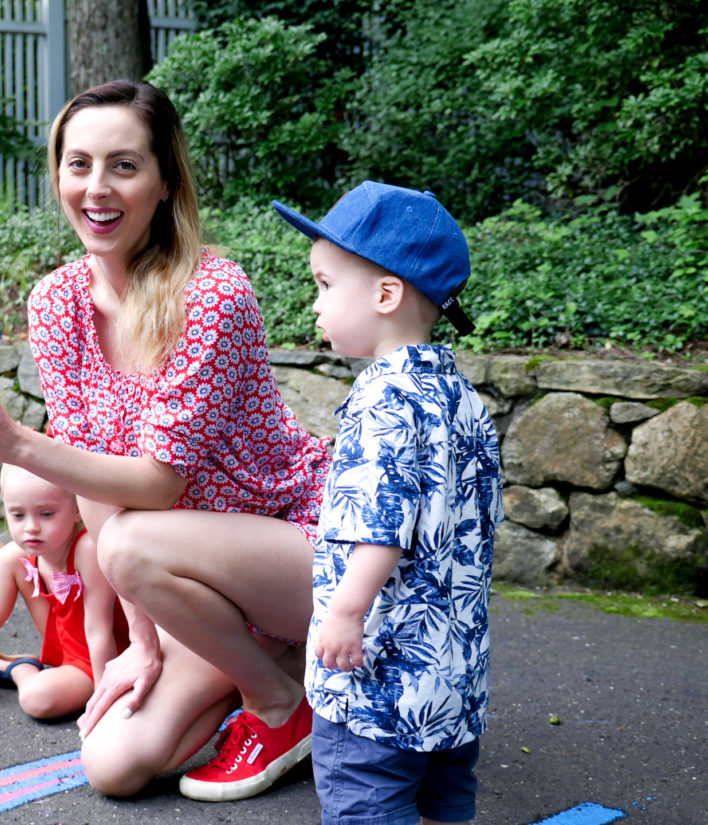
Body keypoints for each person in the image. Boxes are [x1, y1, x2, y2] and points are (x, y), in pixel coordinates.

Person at [0, 79, 331, 801]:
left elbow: (156, 484)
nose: (97, 187)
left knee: (128, 543)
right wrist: (138, 643)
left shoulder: (213, 293)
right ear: (57, 174)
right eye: (78, 163)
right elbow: (92, 488)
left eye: (124, 164)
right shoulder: (56, 303)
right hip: (185, 583)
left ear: (164, 180)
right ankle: (277, 672)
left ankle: (277, 698)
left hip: (292, 548)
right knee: (112, 765)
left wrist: (19, 444)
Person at [271, 182, 504, 825]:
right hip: (450, 679)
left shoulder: (385, 400)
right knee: (443, 804)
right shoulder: (461, 398)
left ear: (384, 294)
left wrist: (345, 611)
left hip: (377, 675)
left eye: (324, 284)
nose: (314, 303)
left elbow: (383, 522)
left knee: (366, 801)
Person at [0, 463, 129, 720]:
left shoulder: (86, 549)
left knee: (36, 698)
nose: (31, 527)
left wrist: (107, 698)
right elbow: (35, 576)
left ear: (77, 510)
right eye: (17, 515)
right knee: (8, 557)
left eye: (46, 514)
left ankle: (18, 669)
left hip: (99, 660)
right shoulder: (36, 548)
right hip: (66, 640)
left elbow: (99, 631)